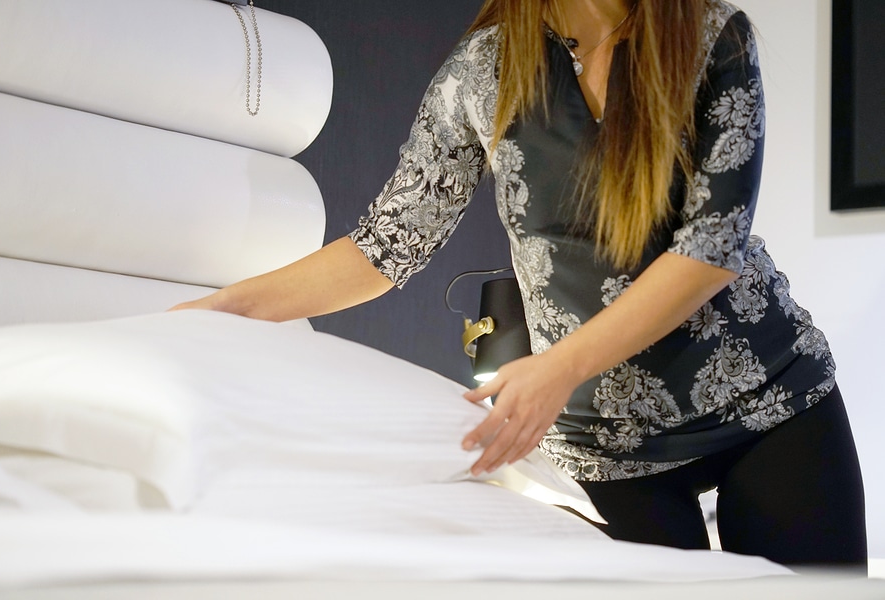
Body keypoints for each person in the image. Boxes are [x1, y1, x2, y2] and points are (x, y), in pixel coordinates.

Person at [172, 0, 867, 572]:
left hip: (767, 401)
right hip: (599, 446)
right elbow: (385, 246)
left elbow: (712, 248)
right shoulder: (481, 72)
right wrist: (223, 309)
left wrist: (555, 368)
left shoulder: (713, 37)